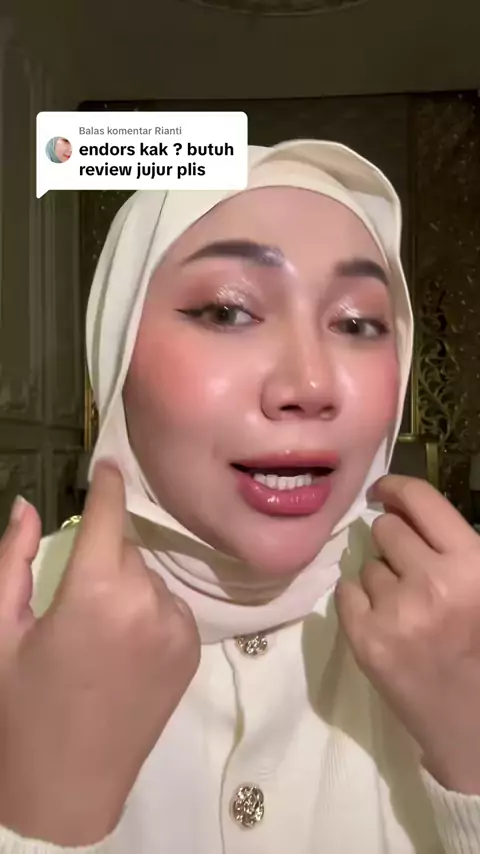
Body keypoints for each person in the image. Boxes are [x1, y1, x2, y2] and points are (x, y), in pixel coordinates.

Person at [0, 140, 479, 854]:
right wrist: (43, 813)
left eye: (357, 323)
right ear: (116, 348)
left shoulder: (466, 627)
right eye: (228, 312)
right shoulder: (18, 626)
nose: (311, 385)